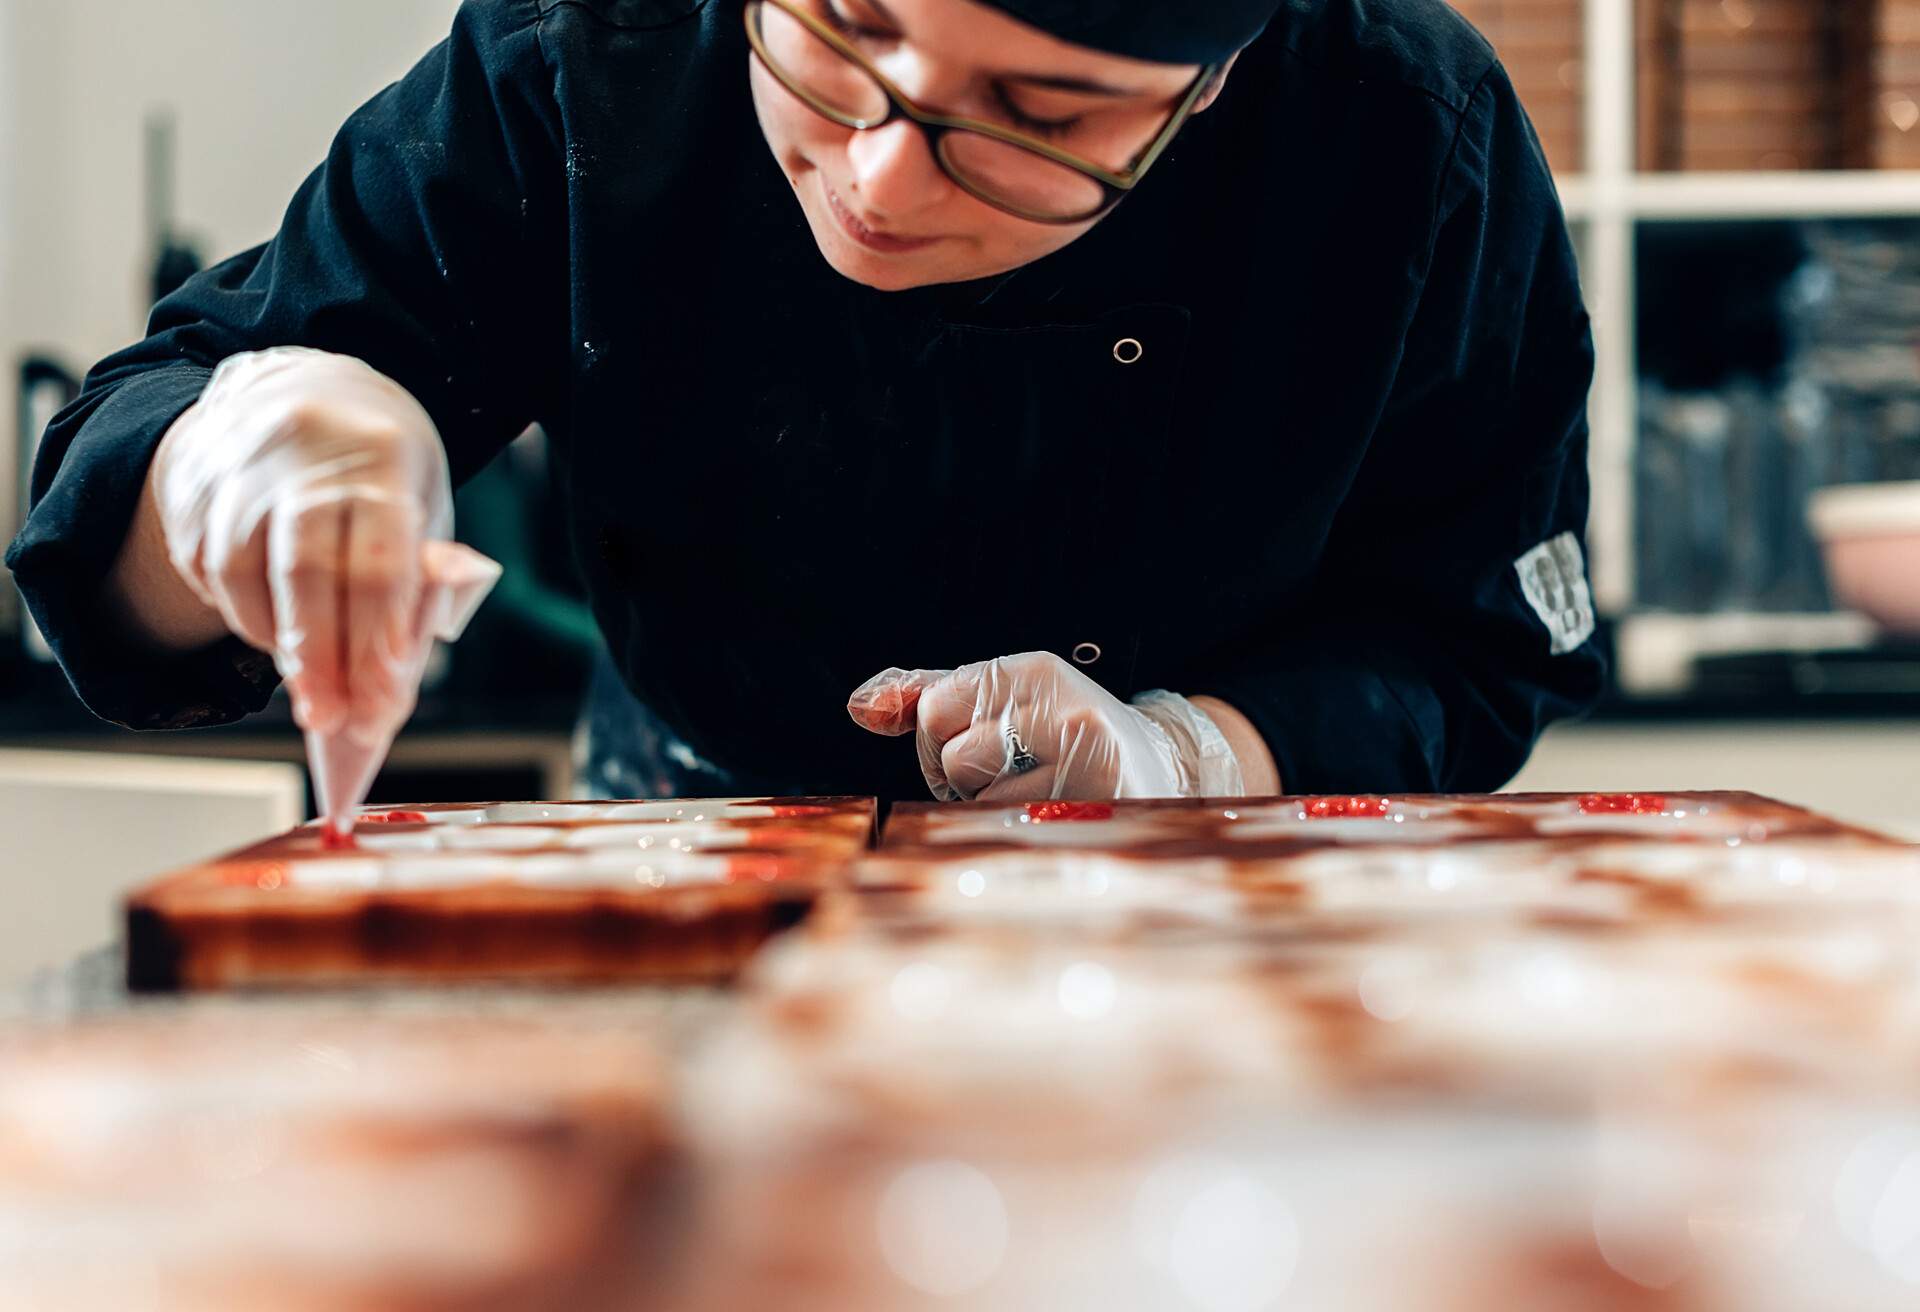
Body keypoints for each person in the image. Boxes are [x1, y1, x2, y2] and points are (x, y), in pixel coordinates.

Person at [7, 0, 1605, 805]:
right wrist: (233, 467)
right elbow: (137, 453)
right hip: (686, 842)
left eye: (1038, 114)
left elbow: (1471, 636)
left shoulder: (1406, 139)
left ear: (1223, 81)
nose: (881, 170)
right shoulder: (599, 56)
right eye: (846, 29)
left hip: (1206, 918)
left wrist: (1185, 755)